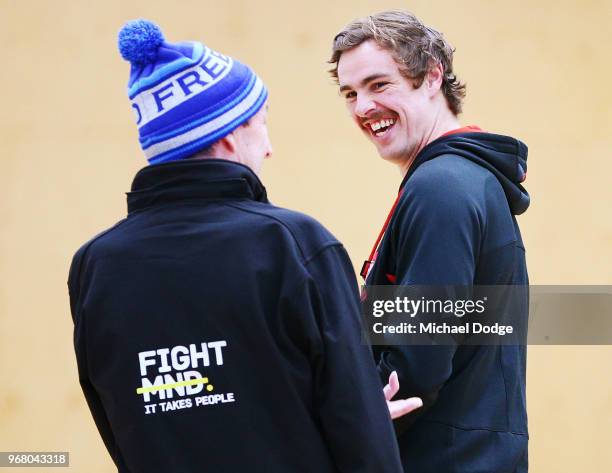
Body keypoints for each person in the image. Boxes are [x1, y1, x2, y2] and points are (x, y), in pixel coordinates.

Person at [68, 19, 419, 473]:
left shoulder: (95, 266)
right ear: (229, 133)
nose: (268, 148)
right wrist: (365, 425)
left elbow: (117, 421)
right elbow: (356, 428)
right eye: (261, 123)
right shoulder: (292, 244)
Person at [329, 10, 530, 473]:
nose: (362, 108)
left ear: (433, 76)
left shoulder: (442, 187)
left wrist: (333, 437)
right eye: (350, 93)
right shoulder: (462, 180)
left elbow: (414, 365)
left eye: (379, 85)